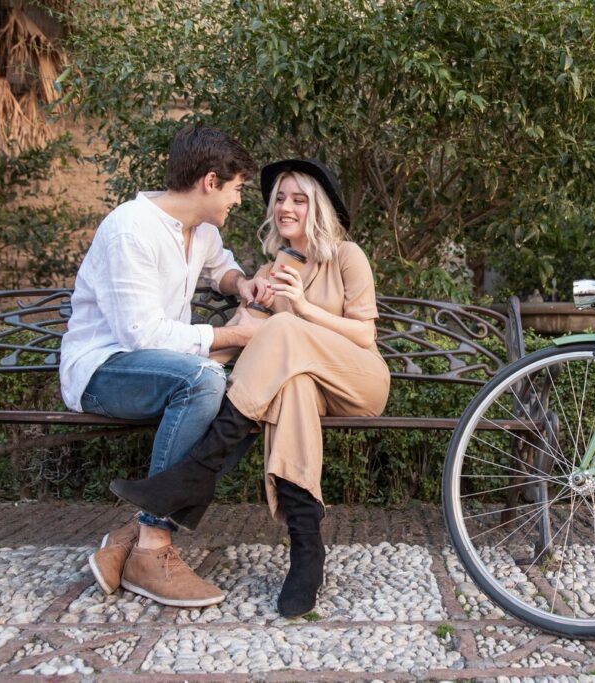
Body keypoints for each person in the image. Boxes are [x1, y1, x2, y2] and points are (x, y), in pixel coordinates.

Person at [108, 158, 391, 617]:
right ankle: (306, 548)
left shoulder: (346, 256)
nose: (285, 206)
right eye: (280, 197)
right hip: (308, 388)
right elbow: (240, 335)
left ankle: (198, 469)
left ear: (316, 208)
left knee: (282, 330)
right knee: (291, 385)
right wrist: (181, 373)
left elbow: (364, 335)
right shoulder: (272, 268)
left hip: (359, 379)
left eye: (298, 198)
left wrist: (299, 306)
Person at [60, 125, 268, 608]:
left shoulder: (202, 232)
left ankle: (130, 538)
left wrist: (242, 286)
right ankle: (154, 545)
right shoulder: (130, 228)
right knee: (204, 379)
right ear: (210, 182)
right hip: (103, 371)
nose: (238, 200)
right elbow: (142, 336)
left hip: (162, 371)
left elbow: (222, 268)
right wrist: (236, 335)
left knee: (245, 408)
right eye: (237, 189)